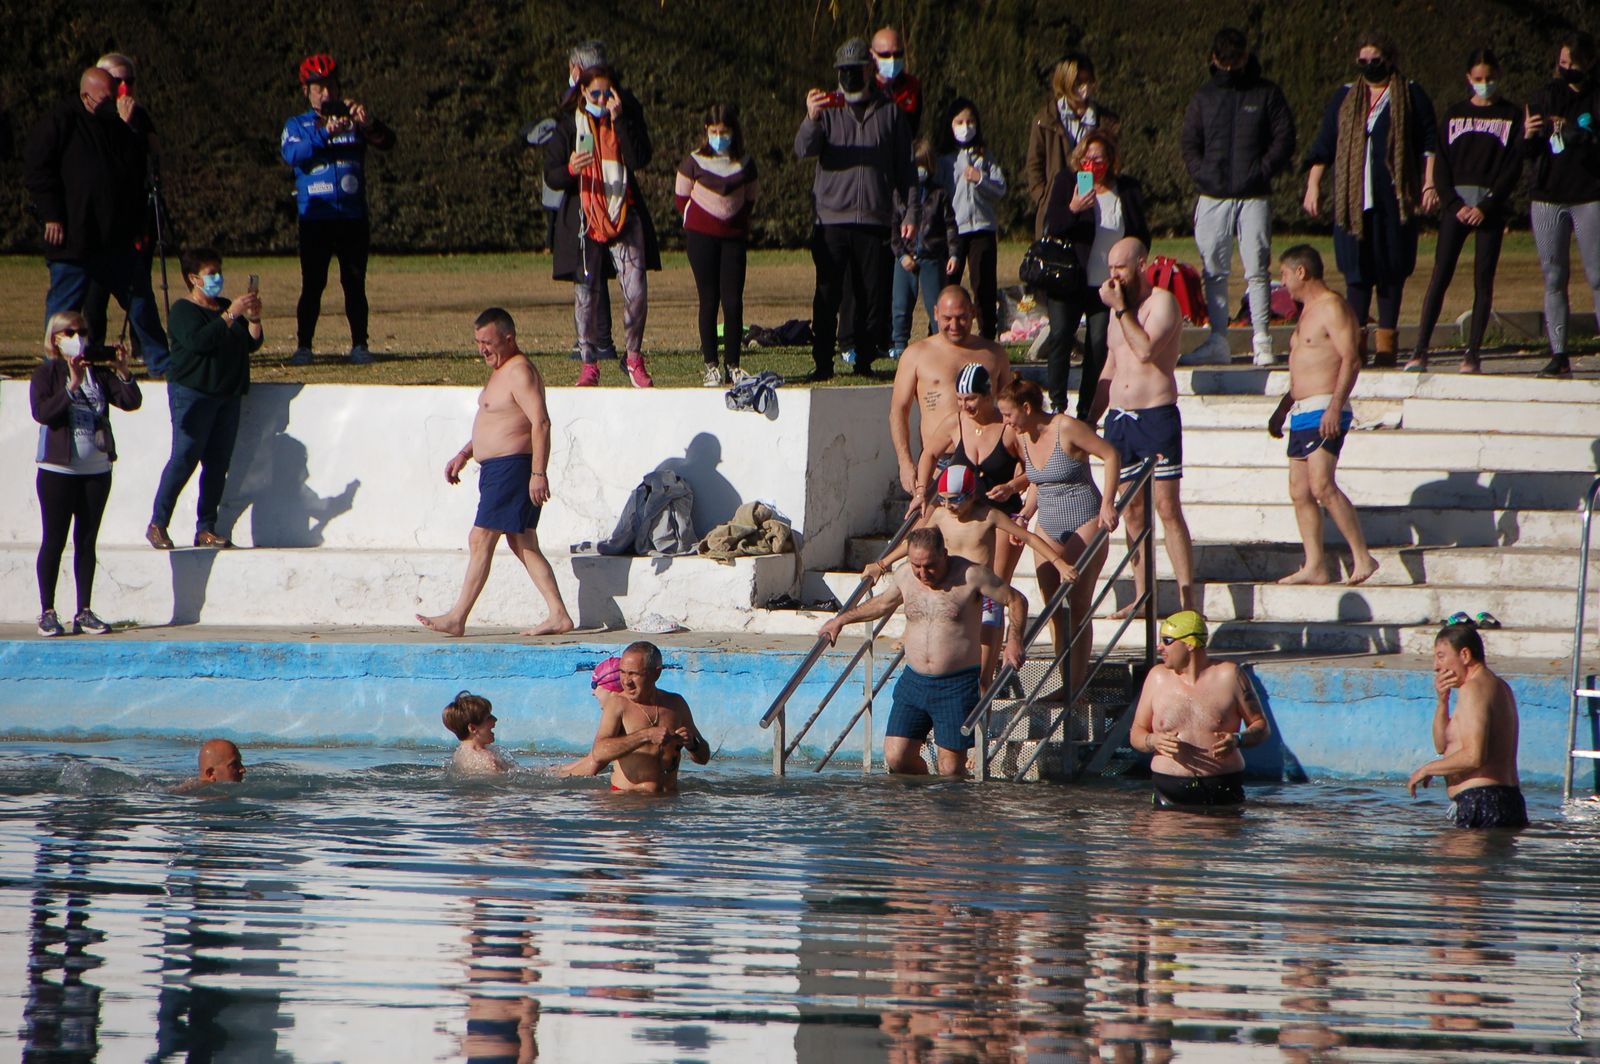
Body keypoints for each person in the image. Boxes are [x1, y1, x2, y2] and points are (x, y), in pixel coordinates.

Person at [417, 308, 576, 638]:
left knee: (480, 537)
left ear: (509, 338)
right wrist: (464, 453)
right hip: (496, 469)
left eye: (488, 342)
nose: (482, 349)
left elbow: (540, 423)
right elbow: (494, 422)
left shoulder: (520, 372)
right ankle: (558, 614)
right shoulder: (501, 371)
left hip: (514, 469)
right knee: (523, 543)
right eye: (478, 343)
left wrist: (538, 473)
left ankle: (457, 616)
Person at [820, 527, 1027, 777]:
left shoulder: (971, 575)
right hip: (914, 682)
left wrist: (1014, 640)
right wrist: (841, 620)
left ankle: (952, 812)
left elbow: (1016, 600)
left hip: (956, 684)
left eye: (929, 566)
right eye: (916, 565)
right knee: (897, 757)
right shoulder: (907, 575)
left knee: (950, 769)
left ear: (945, 555)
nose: (923, 573)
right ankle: (924, 806)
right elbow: (883, 603)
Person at [870, 462, 1075, 691]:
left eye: (955, 499)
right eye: (944, 498)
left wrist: (1059, 563)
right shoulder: (939, 515)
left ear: (971, 495)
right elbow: (913, 542)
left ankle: (984, 724)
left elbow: (1028, 538)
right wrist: (882, 563)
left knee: (983, 680)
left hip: (984, 596)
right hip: (954, 594)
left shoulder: (989, 516)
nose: (949, 505)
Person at [1304, 33, 1440, 368]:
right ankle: (1355, 345)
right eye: (1362, 61)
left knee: (1391, 269)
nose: (1368, 66)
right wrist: (1313, 186)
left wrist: (1428, 183)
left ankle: (1387, 345)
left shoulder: (1409, 94)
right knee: (1357, 270)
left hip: (1393, 196)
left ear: (1390, 59)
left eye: (1375, 60)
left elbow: (1430, 142)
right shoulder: (1346, 96)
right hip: (1354, 200)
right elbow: (1325, 145)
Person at [24, 68, 167, 370]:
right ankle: (55, 365)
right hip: (73, 238)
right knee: (64, 307)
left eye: (114, 96)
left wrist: (128, 129)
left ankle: (160, 361)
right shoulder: (60, 121)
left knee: (140, 298)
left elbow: (134, 168)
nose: (112, 103)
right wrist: (52, 215)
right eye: (105, 97)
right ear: (86, 96)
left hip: (114, 238)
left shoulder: (118, 123)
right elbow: (38, 171)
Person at [992, 378, 1121, 701]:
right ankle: (1066, 681)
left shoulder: (1066, 427)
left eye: (1009, 415)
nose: (1006, 422)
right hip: (1048, 525)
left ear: (1027, 407)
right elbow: (1038, 481)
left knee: (1078, 606)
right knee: (1053, 608)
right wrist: (1023, 511)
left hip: (1084, 520)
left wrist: (1108, 502)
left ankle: (1076, 686)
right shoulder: (1022, 436)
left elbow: (1110, 454)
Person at [1087, 237, 1197, 616]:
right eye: (1110, 268)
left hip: (1155, 414)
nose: (1114, 275)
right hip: (1120, 419)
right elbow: (1112, 365)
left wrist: (1120, 310)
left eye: (1121, 267)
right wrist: (1091, 416)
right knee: (1131, 511)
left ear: (1141, 264)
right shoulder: (1120, 313)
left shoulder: (1161, 303)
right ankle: (1143, 596)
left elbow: (1146, 350)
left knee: (1167, 508)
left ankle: (1187, 601)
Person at [796, 37, 914, 381]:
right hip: (832, 219)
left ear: (869, 70)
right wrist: (811, 118)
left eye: (855, 70)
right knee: (828, 293)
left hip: (875, 218)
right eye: (842, 71)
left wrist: (910, 214)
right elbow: (803, 150)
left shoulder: (890, 112)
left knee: (871, 295)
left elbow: (906, 169)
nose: (848, 77)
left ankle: (865, 360)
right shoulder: (829, 109)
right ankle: (822, 362)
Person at [1179, 27, 1297, 368]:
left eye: (1236, 60)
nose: (1230, 67)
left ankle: (1262, 339)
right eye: (1225, 61)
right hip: (1212, 194)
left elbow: (1284, 137)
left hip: (1254, 194)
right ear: (1215, 59)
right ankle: (1218, 339)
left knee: (1257, 269)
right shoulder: (1203, 97)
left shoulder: (1266, 93)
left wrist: (1260, 171)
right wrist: (1203, 174)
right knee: (1214, 271)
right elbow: (1189, 142)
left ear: (1245, 57)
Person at [1268, 246, 1382, 587]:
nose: (1283, 282)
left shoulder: (1332, 307)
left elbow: (1352, 358)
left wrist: (1335, 406)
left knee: (1321, 484)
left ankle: (1363, 557)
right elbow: (1304, 365)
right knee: (1299, 490)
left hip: (1324, 407)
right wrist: (1283, 407)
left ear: (1301, 272)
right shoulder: (1306, 312)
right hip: (1302, 410)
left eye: (1285, 274)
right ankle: (1315, 564)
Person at [1406, 50, 1523, 374]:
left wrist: (1487, 205)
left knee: (1483, 280)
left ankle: (1472, 352)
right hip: (1456, 207)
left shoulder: (1511, 115)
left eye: (1489, 78)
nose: (1484, 85)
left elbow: (1513, 166)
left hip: (1489, 207)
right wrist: (1453, 204)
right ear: (1468, 79)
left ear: (1498, 76)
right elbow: (1440, 163)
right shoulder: (1454, 113)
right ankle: (1420, 350)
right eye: (1478, 79)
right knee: (1440, 275)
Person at [544, 64, 658, 388]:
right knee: (586, 293)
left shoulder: (624, 118)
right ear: (582, 92)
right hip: (585, 218)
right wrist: (570, 168)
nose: (602, 98)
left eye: (608, 93)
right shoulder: (568, 125)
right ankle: (589, 363)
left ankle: (633, 357)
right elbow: (550, 174)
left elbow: (639, 159)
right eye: (596, 93)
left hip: (622, 211)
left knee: (636, 291)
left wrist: (620, 119)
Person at [30, 311, 141, 637]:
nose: (78, 336)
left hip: (96, 469)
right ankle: (47, 610)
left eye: (83, 331)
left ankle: (84, 610)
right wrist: (71, 385)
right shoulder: (47, 373)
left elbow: (131, 401)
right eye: (70, 331)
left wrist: (122, 371)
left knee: (87, 540)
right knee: (54, 538)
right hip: (58, 469)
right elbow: (43, 413)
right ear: (55, 339)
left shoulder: (98, 374)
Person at [280, 53, 396, 366]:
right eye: (318, 87)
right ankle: (304, 347)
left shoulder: (353, 119)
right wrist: (325, 132)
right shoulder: (298, 124)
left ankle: (360, 345)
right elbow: (292, 154)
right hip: (315, 219)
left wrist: (367, 122)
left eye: (330, 86)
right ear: (306, 90)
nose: (326, 93)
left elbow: (387, 142)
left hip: (352, 217)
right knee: (313, 283)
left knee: (354, 283)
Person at [146, 248, 262, 551]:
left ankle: (206, 528)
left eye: (218, 272)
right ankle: (158, 523)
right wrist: (231, 314)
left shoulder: (225, 308)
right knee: (185, 457)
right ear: (194, 278)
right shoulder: (184, 311)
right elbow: (200, 341)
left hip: (227, 396)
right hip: (193, 395)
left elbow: (249, 343)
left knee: (217, 463)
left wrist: (253, 318)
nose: (217, 279)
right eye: (211, 274)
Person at [1041, 130, 1149, 421]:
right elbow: (1052, 227)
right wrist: (1074, 209)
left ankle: (1087, 408)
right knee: (1061, 335)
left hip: (1106, 283)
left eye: (1099, 159)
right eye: (1088, 158)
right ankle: (1057, 404)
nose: (1092, 164)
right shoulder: (1069, 182)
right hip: (1069, 278)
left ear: (1111, 161)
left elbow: (1140, 233)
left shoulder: (1125, 190)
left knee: (1098, 343)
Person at [835, 24, 925, 366]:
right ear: (870, 59)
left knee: (884, 272)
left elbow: (909, 139)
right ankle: (848, 339)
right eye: (884, 55)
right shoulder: (853, 90)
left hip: (896, 181)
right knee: (852, 275)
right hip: (862, 194)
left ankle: (883, 335)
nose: (892, 61)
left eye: (896, 54)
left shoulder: (909, 90)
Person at [81, 52, 171, 376]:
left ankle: (151, 353)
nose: (123, 88)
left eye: (128, 81)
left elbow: (152, 155)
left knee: (139, 293)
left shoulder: (139, 116)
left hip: (130, 221)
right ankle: (90, 352)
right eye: (116, 81)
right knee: (93, 296)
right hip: (94, 226)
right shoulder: (88, 118)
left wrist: (132, 127)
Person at [1130, 611, 1270, 809]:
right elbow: (1137, 732)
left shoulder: (1229, 676)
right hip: (1167, 798)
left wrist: (1238, 739)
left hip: (1223, 793)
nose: (1159, 647)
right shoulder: (1157, 677)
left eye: (1167, 640)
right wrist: (1152, 740)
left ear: (1190, 643)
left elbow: (1262, 727)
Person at [1523, 32, 1600, 380]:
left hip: (1588, 195)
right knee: (1553, 275)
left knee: (1597, 276)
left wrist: (1582, 136)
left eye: (1574, 64)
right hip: (1548, 196)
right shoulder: (1545, 96)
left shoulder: (1595, 97)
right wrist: (1528, 135)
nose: (1567, 69)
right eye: (1563, 63)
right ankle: (1559, 353)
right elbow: (1528, 153)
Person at [889, 286, 1012, 496]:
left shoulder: (993, 353)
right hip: (939, 462)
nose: (954, 325)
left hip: (985, 462)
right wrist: (905, 462)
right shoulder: (916, 355)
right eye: (947, 318)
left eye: (961, 318)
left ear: (973, 312)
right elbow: (899, 411)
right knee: (925, 525)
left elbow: (1010, 408)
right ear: (935, 313)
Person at [1408, 624, 1527, 829]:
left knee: (1454, 862)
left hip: (1482, 801)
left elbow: (1474, 756)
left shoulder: (1475, 689)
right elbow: (1441, 746)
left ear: (1464, 654)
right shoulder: (1494, 686)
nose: (1436, 666)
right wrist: (1442, 702)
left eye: (1441, 656)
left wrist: (1427, 769)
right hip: (1504, 801)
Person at [675, 103, 758, 388]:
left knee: (733, 302)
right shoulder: (694, 161)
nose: (718, 136)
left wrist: (735, 222)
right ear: (706, 132)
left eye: (723, 132)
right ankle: (711, 365)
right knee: (709, 301)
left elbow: (749, 198)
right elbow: (681, 196)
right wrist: (699, 220)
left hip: (733, 238)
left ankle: (733, 364)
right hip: (701, 239)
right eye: (713, 131)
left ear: (734, 132)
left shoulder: (745, 163)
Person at [587, 642, 710, 794]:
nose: (626, 681)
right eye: (622, 672)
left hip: (667, 802)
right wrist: (645, 735)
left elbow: (704, 758)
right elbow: (599, 753)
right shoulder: (618, 704)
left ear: (656, 673)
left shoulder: (675, 704)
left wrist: (693, 745)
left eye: (634, 674)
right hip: (626, 803)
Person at [1026, 52, 1119, 242]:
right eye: (1078, 82)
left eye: (1088, 81)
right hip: (1057, 205)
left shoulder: (1106, 121)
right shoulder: (1044, 120)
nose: (1083, 88)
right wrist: (1044, 198)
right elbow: (1034, 164)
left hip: (1096, 201)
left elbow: (1114, 159)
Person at [938, 98, 1006, 340]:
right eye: (959, 122)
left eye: (970, 121)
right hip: (953, 230)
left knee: (984, 286)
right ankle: (944, 335)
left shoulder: (985, 155)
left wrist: (980, 178)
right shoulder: (943, 158)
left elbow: (1000, 188)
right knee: (948, 283)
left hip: (982, 228)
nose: (965, 127)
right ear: (950, 124)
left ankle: (988, 336)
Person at [890, 138, 958, 359]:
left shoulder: (940, 194)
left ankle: (941, 341)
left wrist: (953, 253)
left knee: (935, 304)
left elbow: (950, 225)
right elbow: (892, 227)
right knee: (901, 303)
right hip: (906, 258)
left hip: (932, 257)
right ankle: (899, 344)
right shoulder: (899, 194)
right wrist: (901, 254)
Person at [443, 691, 514, 775]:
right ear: (473, 728)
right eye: (488, 717)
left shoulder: (458, 755)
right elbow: (503, 781)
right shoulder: (487, 758)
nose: (495, 719)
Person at [175, 738, 247, 792]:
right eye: (234, 765)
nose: (243, 770)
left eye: (240, 762)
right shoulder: (187, 793)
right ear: (211, 774)